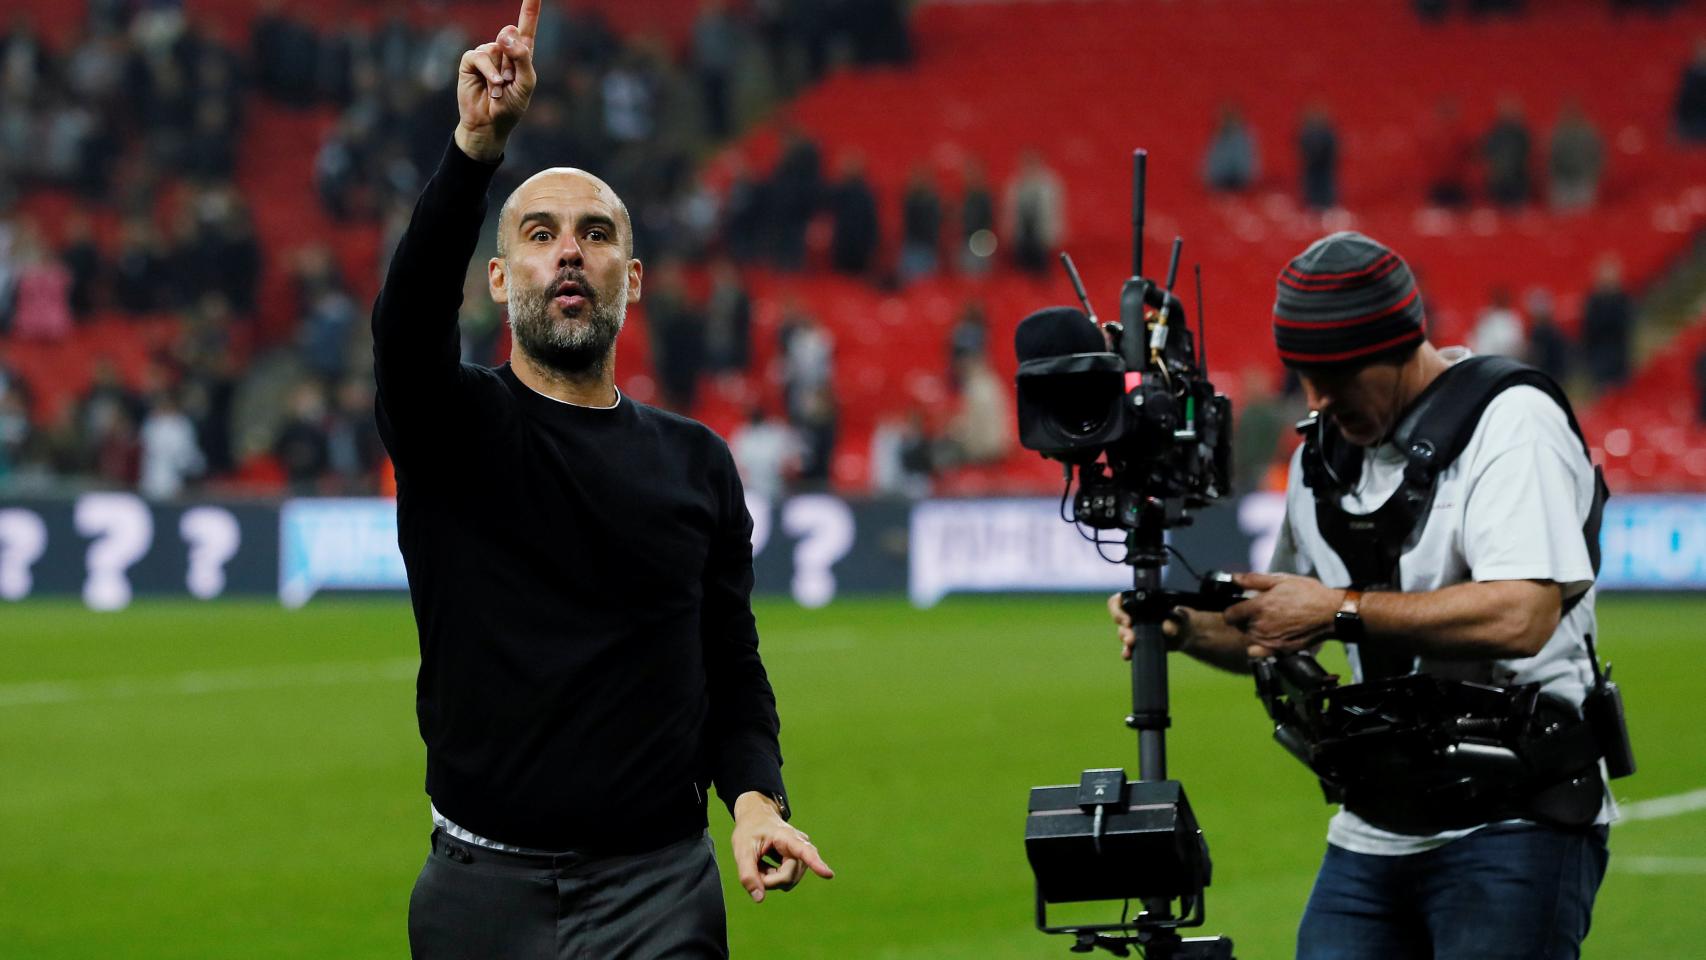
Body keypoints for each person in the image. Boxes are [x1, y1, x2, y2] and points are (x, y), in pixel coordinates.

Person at [371, 6, 832, 958]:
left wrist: (753, 801)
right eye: (540, 235)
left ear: (632, 276)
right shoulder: (453, 429)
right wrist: (474, 150)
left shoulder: (697, 464)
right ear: (499, 280)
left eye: (594, 234)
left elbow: (731, 671)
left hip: (658, 891)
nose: (570, 250)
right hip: (477, 896)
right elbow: (404, 326)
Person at [1107, 232, 1611, 959]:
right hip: (1376, 824)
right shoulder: (1324, 458)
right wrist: (1182, 628)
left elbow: (1522, 612)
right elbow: (1277, 631)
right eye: (1304, 374)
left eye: (1335, 373)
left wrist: (1337, 608)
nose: (1315, 398)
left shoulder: (1511, 422)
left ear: (1402, 345)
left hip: (1515, 814)